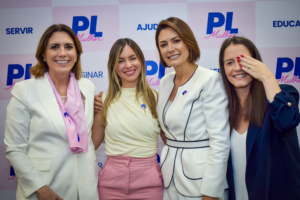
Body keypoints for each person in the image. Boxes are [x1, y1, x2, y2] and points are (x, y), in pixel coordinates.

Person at [4, 24, 99, 200]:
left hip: (86, 188)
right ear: (43, 55)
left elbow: (89, 136)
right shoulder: (24, 90)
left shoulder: (88, 87)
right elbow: (15, 150)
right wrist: (40, 188)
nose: (62, 53)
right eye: (54, 47)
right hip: (45, 188)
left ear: (77, 54)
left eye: (69, 47)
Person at [155, 17, 230, 200]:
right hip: (169, 179)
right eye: (163, 44)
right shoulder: (164, 83)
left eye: (176, 41)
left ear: (188, 42)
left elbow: (220, 142)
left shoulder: (209, 79)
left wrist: (210, 193)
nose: (170, 48)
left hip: (201, 182)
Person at [219, 36, 300, 200]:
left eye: (243, 61)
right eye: (229, 62)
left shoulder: (284, 93)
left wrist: (267, 77)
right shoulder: (222, 108)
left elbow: (286, 121)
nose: (237, 68)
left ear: (257, 63)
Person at [92, 38, 163, 200]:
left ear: (141, 61)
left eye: (132, 58)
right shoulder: (103, 101)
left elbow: (171, 139)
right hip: (111, 183)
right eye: (120, 61)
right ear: (113, 67)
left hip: (149, 182)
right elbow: (92, 144)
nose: (128, 65)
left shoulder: (157, 98)